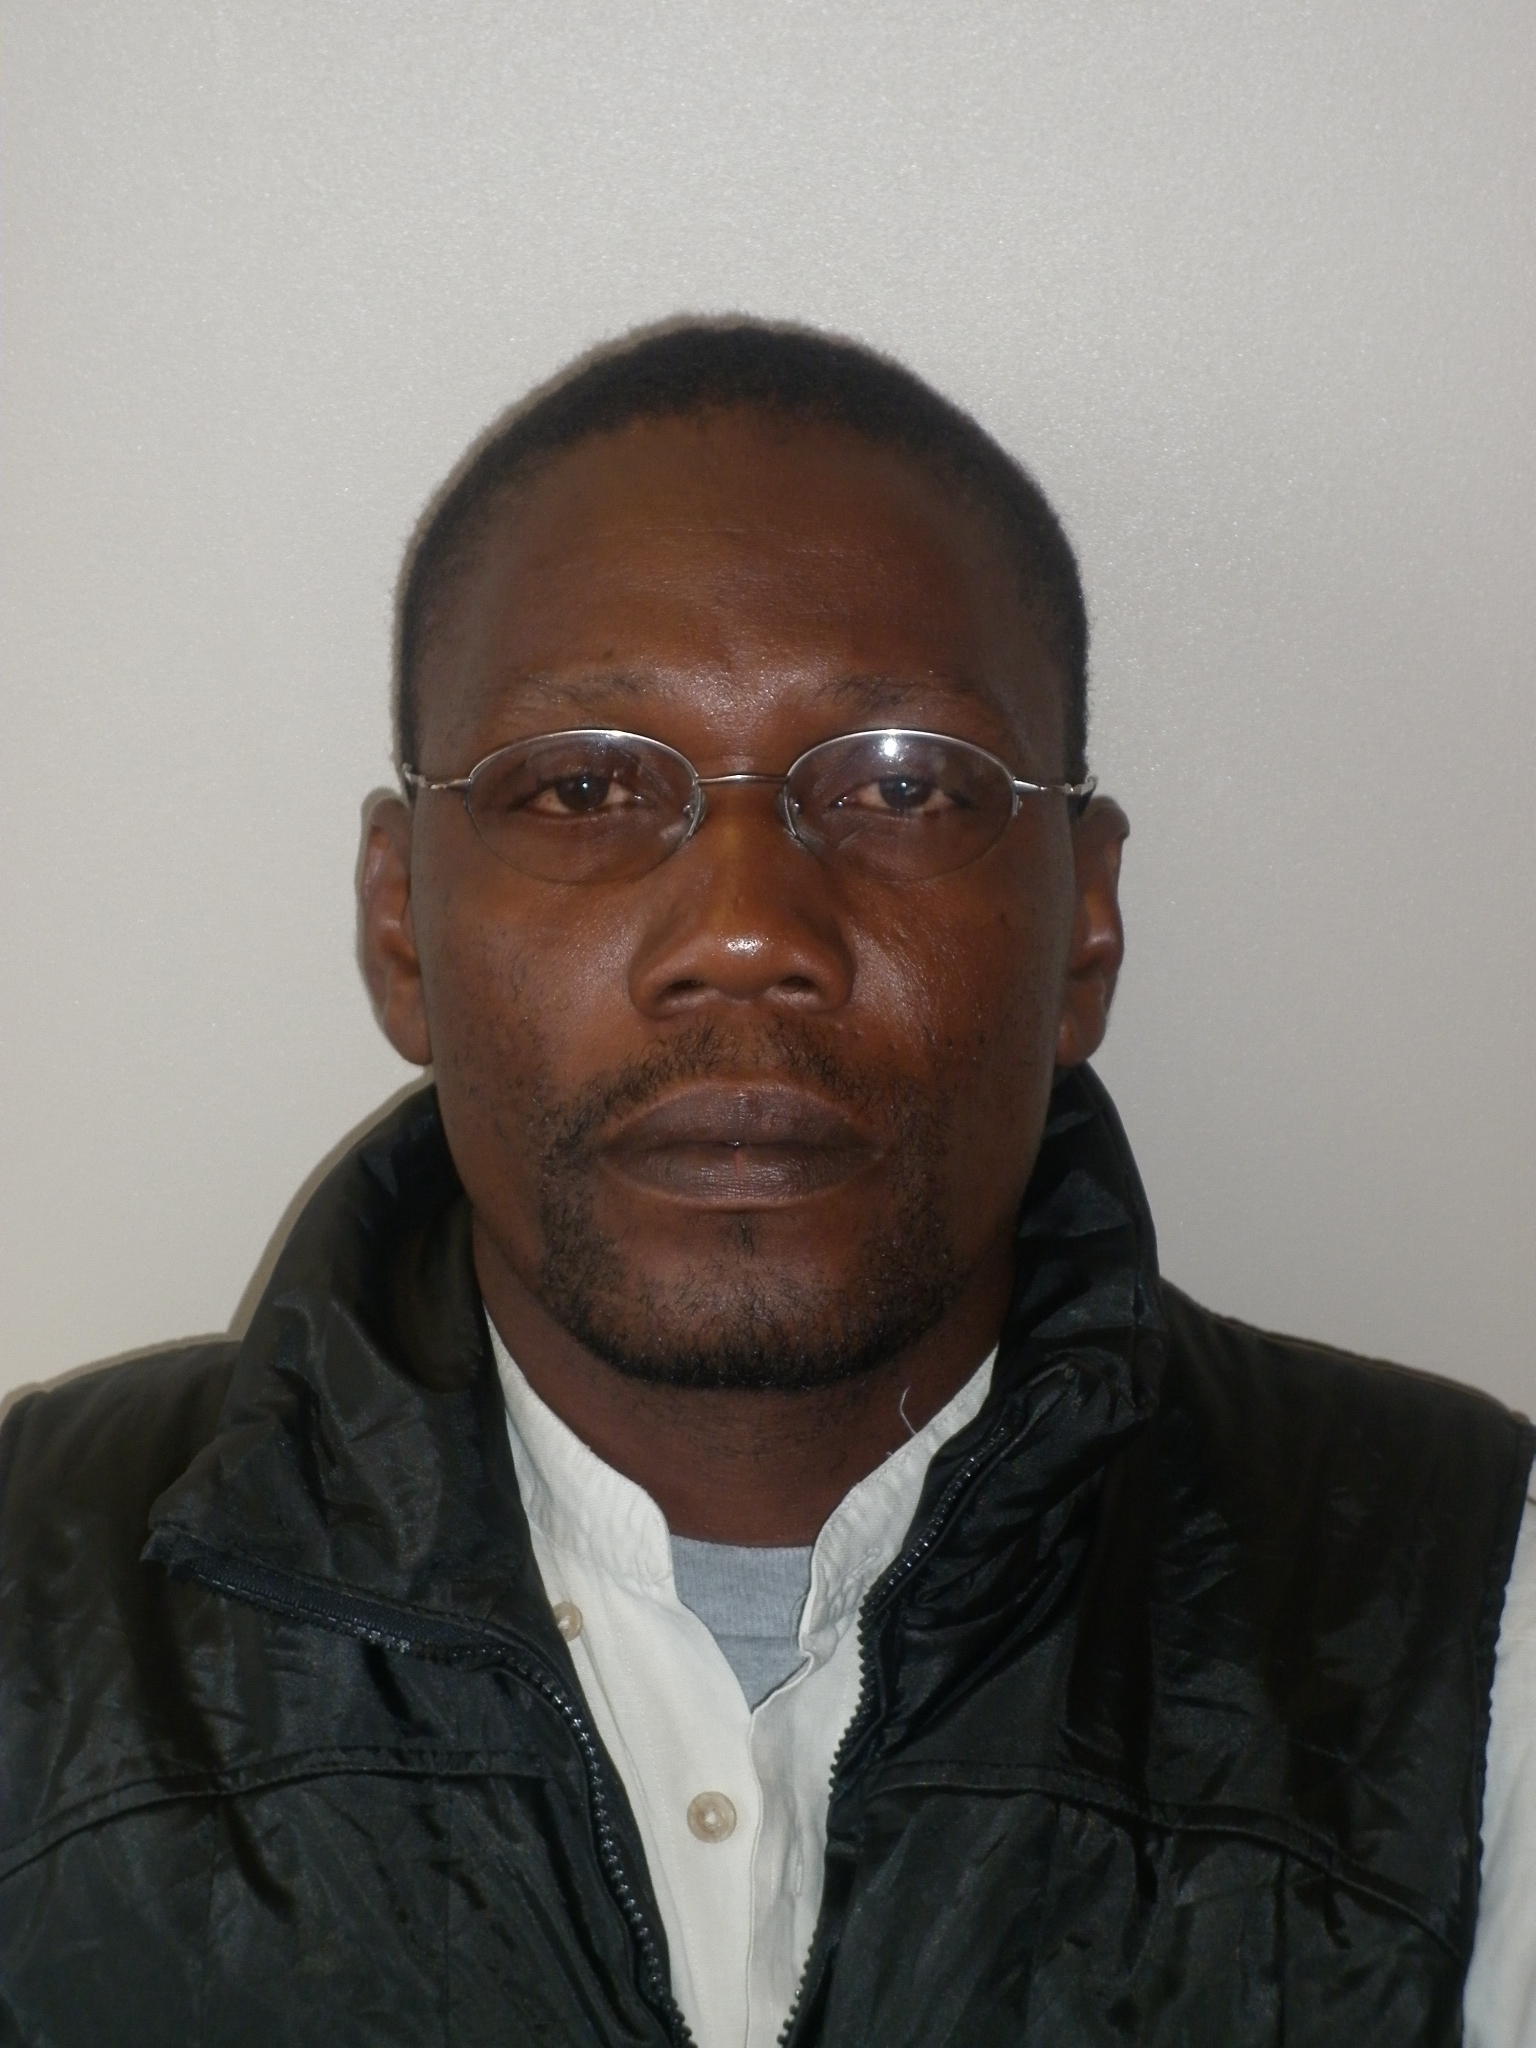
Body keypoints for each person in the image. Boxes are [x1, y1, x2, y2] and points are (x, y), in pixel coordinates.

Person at [1, 321, 1531, 2048]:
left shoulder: (1474, 1617)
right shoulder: (34, 1606)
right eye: (584, 785)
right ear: (399, 919)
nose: (743, 932)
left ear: (1085, 926)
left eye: (902, 785)